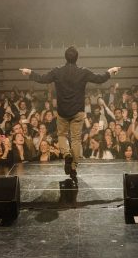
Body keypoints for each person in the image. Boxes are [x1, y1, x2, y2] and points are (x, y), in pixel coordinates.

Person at [20, 46, 120, 185]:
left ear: (65, 57)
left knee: (61, 135)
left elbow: (43, 79)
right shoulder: (83, 71)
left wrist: (29, 72)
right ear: (77, 58)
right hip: (78, 112)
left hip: (63, 112)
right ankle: (73, 167)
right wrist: (110, 71)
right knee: (76, 139)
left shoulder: (57, 71)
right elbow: (99, 79)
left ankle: (66, 154)